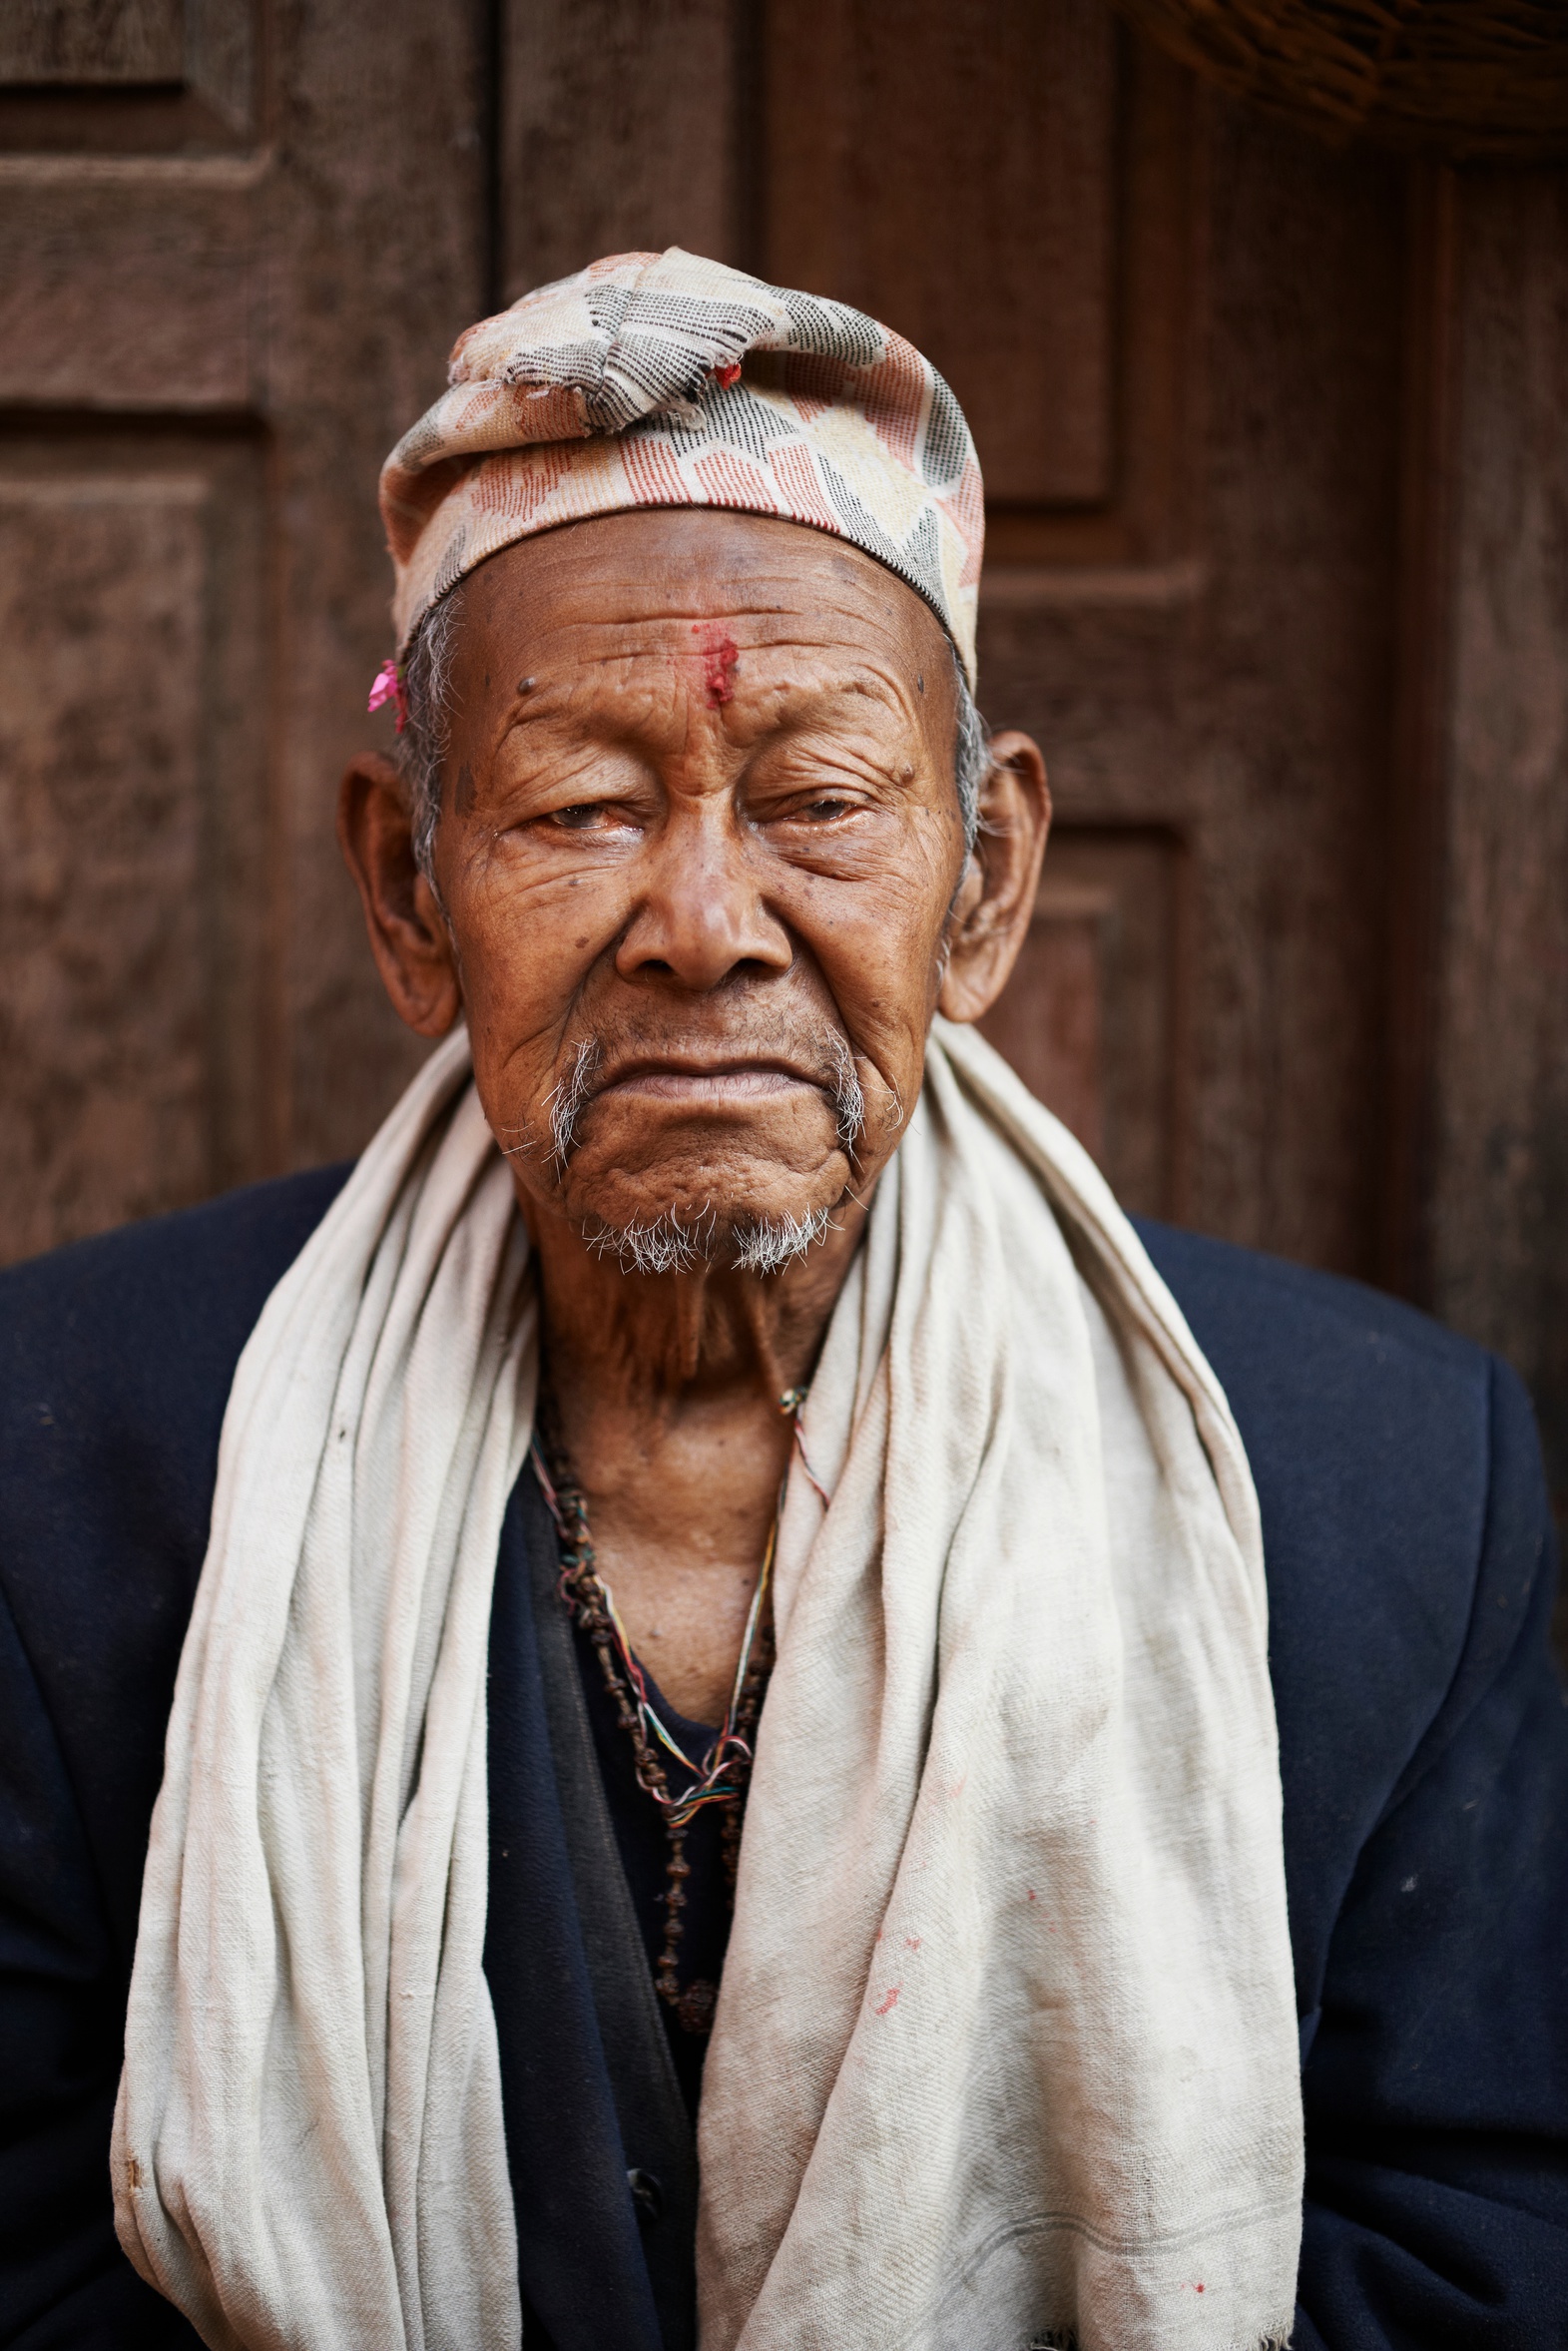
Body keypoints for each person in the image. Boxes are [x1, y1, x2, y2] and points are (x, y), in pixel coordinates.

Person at [0, 248, 1563, 2351]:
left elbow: (1479, 2242)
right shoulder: (72, 1455)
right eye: (581, 804)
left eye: (820, 799)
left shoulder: (1383, 1489)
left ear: (987, 879)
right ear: (407, 888)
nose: (705, 923)